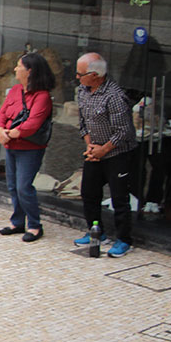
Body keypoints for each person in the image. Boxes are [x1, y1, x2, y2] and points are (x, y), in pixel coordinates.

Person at [74, 52, 138, 257]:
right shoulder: (82, 91)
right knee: (89, 193)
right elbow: (82, 123)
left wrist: (103, 149)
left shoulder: (115, 97)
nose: (77, 77)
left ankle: (124, 239)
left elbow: (124, 131)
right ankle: (97, 232)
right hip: (94, 150)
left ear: (95, 75)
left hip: (116, 153)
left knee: (119, 198)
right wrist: (91, 146)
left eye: (80, 73)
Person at [0, 52, 56, 243]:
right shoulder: (14, 91)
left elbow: (32, 124)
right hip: (11, 145)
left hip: (29, 148)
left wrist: (8, 134)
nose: (15, 69)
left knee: (23, 186)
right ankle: (17, 221)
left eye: (19, 66)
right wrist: (0, 131)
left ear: (30, 71)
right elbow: (2, 114)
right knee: (12, 185)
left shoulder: (42, 96)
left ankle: (35, 225)